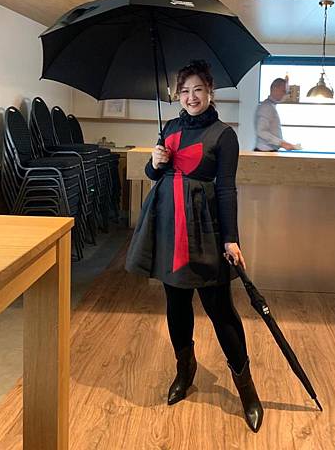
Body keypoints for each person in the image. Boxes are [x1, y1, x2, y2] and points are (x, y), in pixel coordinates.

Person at [125, 60, 264, 433]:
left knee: (221, 310)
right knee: (176, 303)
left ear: (210, 92)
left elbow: (226, 188)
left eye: (198, 89)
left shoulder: (224, 135)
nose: (191, 97)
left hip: (204, 229)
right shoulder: (169, 127)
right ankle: (185, 370)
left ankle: (246, 388)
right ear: (177, 95)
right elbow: (154, 174)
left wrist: (231, 238)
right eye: (184, 91)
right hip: (167, 225)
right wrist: (154, 163)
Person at [254, 77, 296, 151]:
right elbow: (261, 131)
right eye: (284, 91)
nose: (285, 94)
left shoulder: (270, 106)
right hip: (264, 152)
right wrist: (281, 143)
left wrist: (283, 143)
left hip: (268, 151)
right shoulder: (266, 107)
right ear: (275, 89)